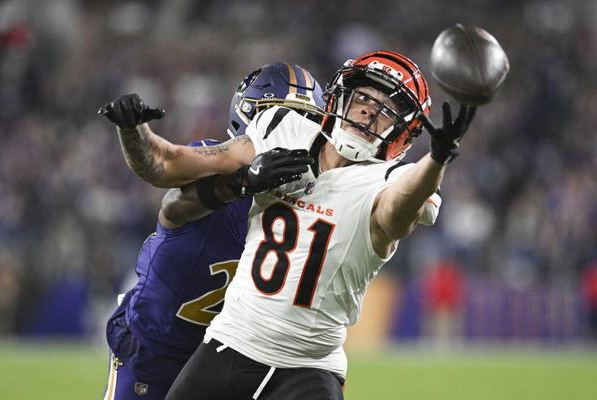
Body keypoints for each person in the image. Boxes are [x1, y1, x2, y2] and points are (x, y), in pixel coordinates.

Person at [100, 50, 475, 399]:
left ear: (404, 132)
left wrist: (438, 160)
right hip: (221, 340)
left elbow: (400, 208)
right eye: (363, 99)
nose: (369, 115)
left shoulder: (392, 181)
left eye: (388, 111)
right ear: (340, 96)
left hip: (309, 363)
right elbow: (168, 171)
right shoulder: (282, 130)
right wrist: (134, 130)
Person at [101, 63, 326, 400]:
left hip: (232, 356)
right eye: (283, 116)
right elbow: (172, 202)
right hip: (157, 343)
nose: (293, 129)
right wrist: (241, 184)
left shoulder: (316, 200)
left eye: (307, 119)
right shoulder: (224, 166)